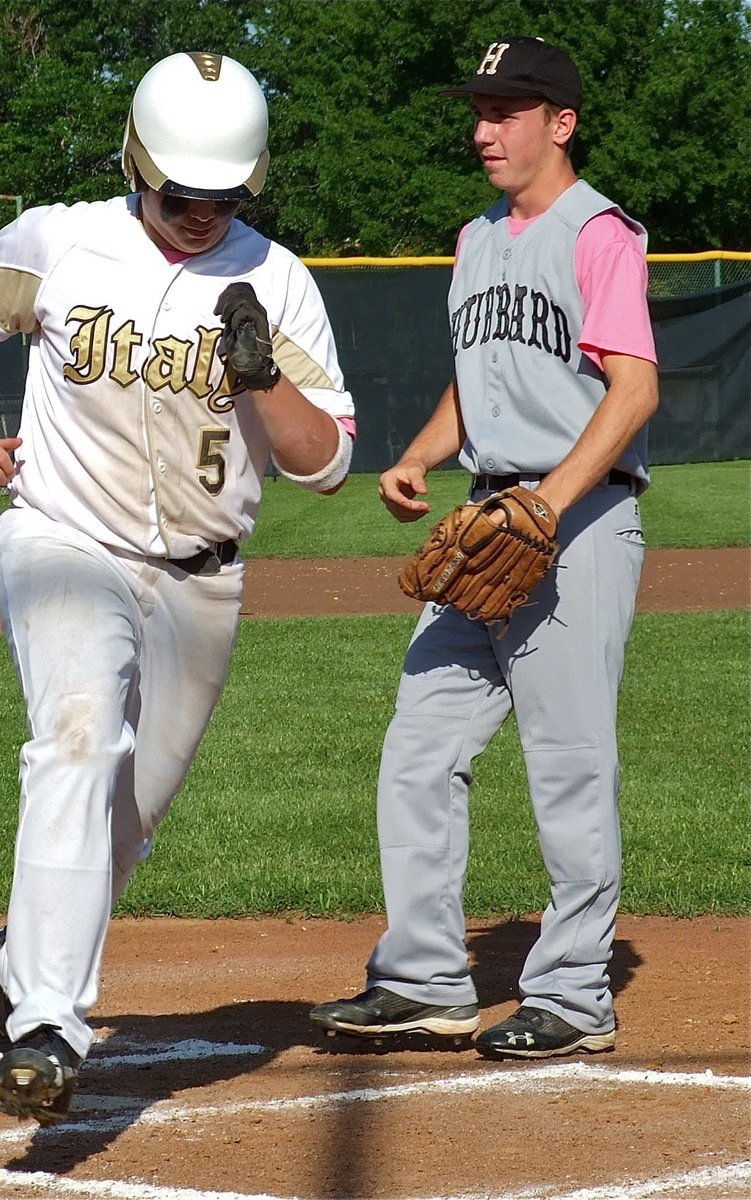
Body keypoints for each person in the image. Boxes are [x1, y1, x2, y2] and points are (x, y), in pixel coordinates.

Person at [0, 51, 355, 1123]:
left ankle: (21, 956)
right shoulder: (63, 238)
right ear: (135, 161)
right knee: (77, 736)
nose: (202, 213)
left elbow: (325, 460)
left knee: (126, 820)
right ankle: (46, 1025)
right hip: (65, 541)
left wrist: (265, 384)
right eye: (180, 193)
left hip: (201, 584)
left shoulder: (277, 280)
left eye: (224, 195)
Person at [310, 36, 658, 1059]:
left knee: (566, 763)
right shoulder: (474, 240)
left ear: (560, 122)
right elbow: (480, 374)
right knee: (418, 750)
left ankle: (574, 994)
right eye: (479, 108)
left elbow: (632, 388)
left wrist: (547, 503)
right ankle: (422, 978)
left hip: (576, 521)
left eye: (507, 109)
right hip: (485, 530)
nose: (482, 127)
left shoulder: (599, 235)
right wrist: (419, 454)